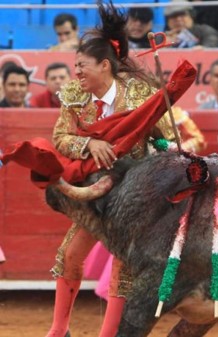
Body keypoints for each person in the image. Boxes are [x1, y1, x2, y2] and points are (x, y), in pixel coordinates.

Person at [46, 2, 176, 337]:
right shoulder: (75, 95)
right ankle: (59, 330)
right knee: (70, 254)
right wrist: (90, 145)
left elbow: (168, 136)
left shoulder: (141, 94)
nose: (75, 72)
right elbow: (60, 137)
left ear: (104, 65)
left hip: (133, 190)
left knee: (124, 265)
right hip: (95, 188)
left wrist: (166, 145)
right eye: (75, 65)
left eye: (82, 65)